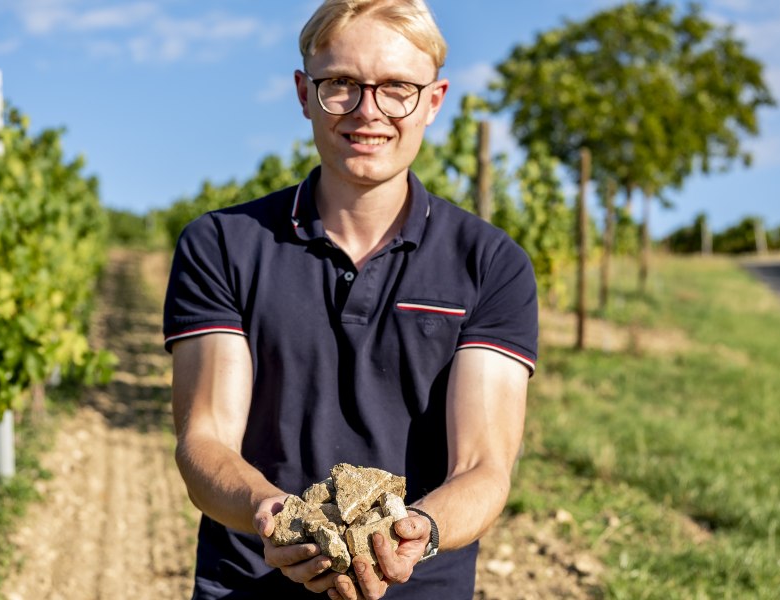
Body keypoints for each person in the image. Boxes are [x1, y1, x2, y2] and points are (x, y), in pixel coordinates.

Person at [163, 1, 537, 598]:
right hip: (248, 585)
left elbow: (483, 466)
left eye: (397, 89)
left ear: (434, 100)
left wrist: (422, 532)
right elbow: (204, 439)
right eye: (341, 85)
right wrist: (273, 515)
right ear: (304, 93)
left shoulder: (490, 264)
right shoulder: (221, 245)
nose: (369, 112)